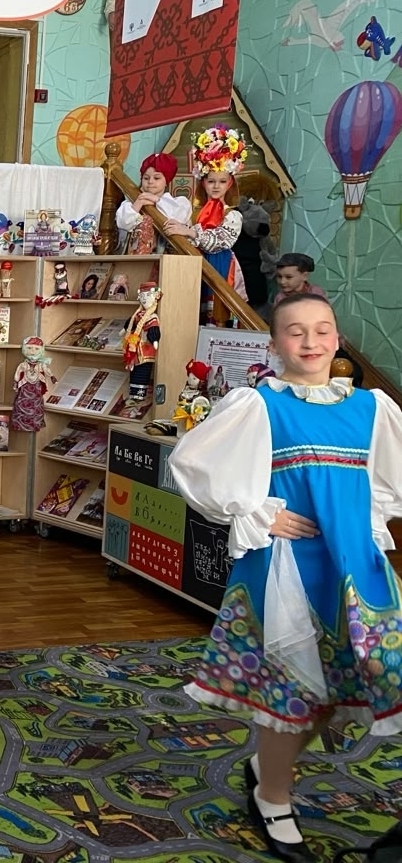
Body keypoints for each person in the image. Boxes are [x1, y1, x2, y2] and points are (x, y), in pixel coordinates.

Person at [167, 293, 402, 863]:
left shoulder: (372, 408)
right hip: (286, 568)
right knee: (294, 688)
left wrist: (366, 525)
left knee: (354, 678)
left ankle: (265, 767)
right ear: (274, 344)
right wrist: (256, 511)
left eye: (323, 330)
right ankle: (272, 795)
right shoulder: (259, 404)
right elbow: (191, 463)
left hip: (354, 566)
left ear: (338, 339)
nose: (311, 341)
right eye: (296, 331)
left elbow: (385, 484)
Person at [165, 125, 250, 318]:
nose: (216, 186)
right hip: (195, 264)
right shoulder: (195, 211)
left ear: (229, 183)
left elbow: (220, 241)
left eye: (222, 181)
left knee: (216, 313)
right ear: (203, 183)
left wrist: (190, 232)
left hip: (220, 265)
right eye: (211, 181)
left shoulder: (232, 215)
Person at [115, 153, 191, 255]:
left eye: (156, 178)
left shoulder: (179, 203)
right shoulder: (130, 203)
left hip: (165, 257)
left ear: (166, 181)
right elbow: (123, 223)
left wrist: (157, 200)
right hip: (134, 256)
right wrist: (139, 203)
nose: (150, 182)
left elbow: (178, 217)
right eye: (146, 178)